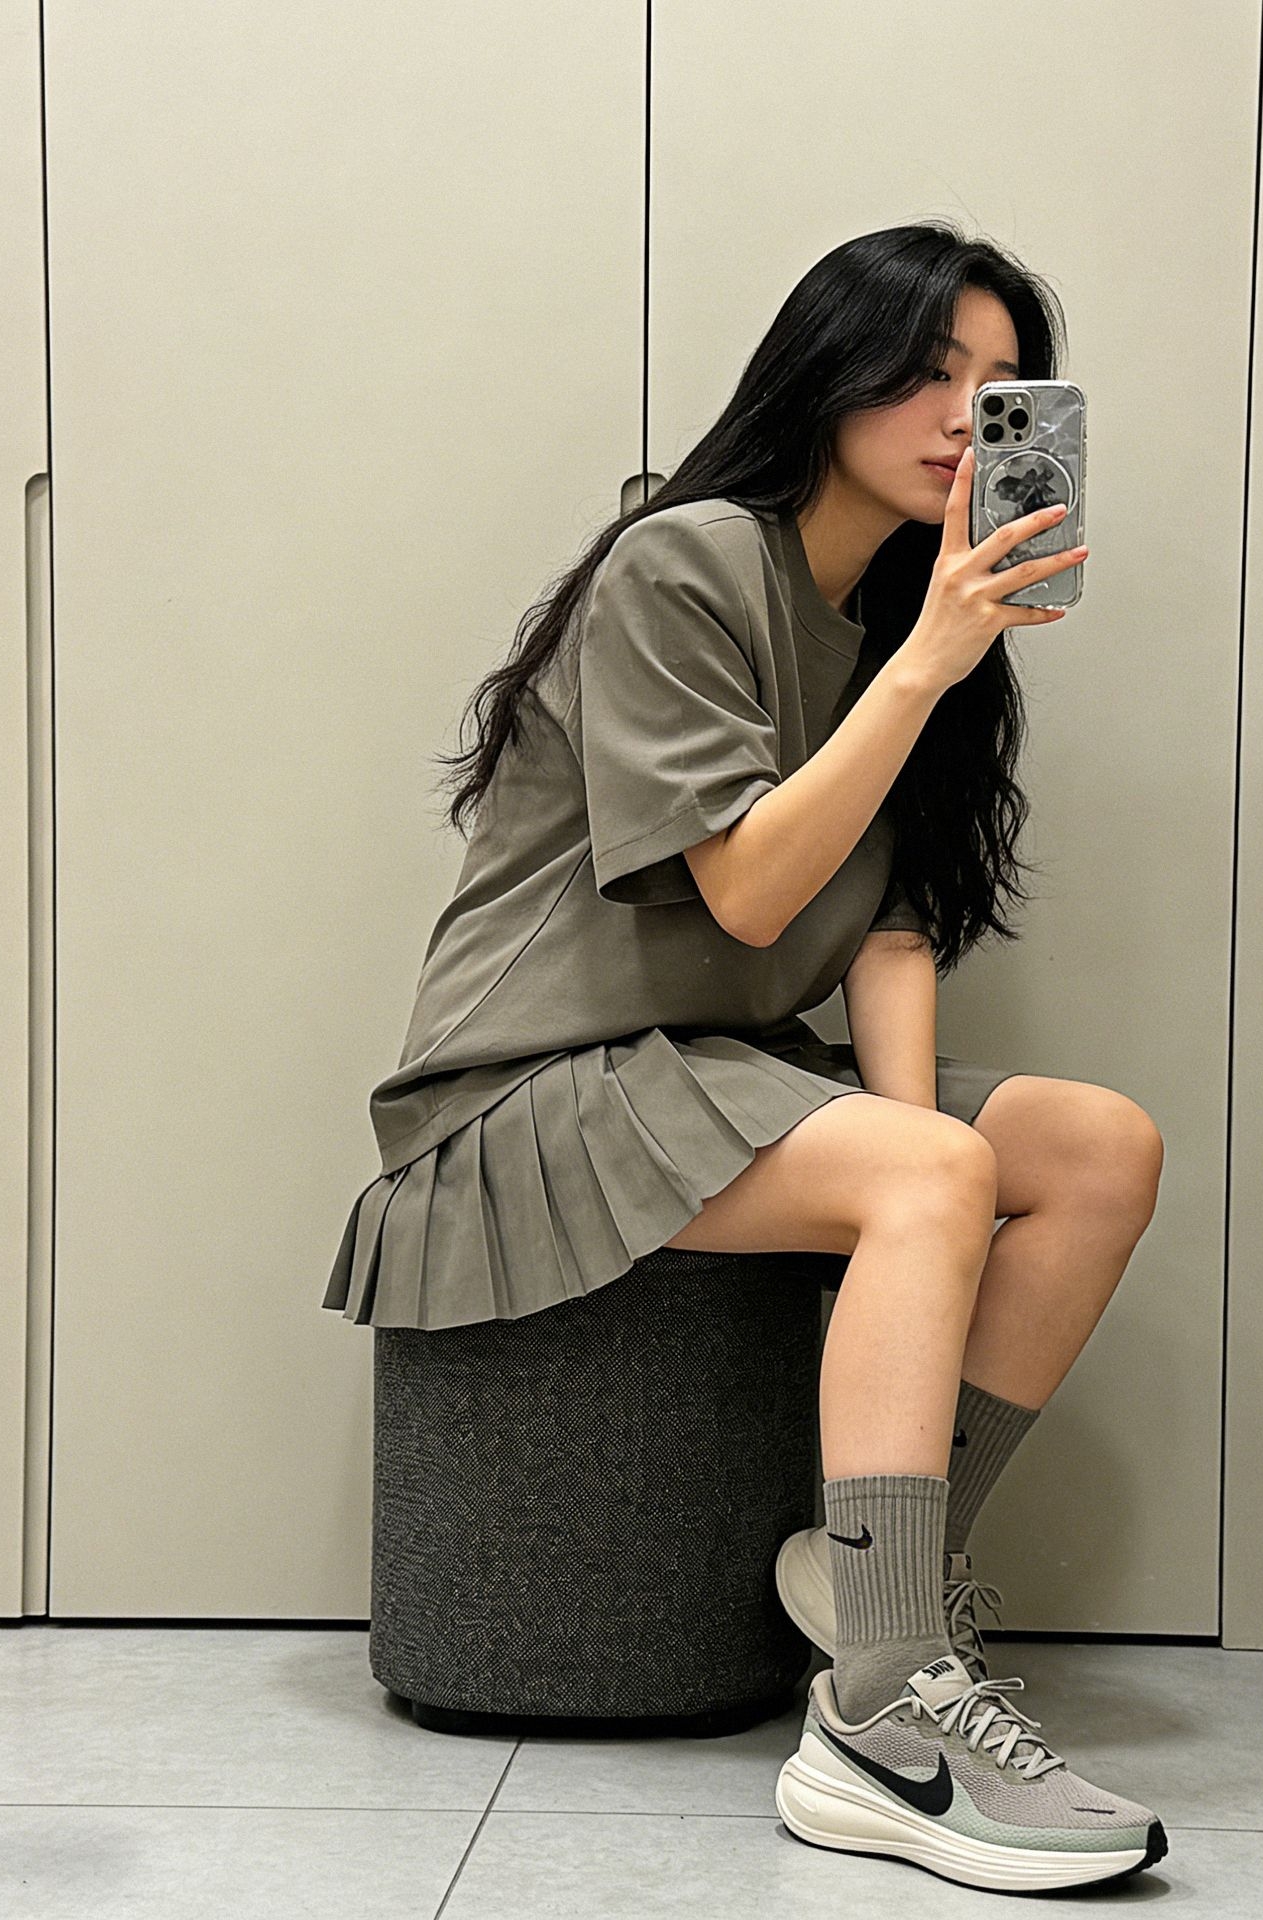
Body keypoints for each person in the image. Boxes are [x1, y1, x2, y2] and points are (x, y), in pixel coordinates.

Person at [323, 222, 1168, 1893]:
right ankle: (877, 1721)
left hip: (726, 1068)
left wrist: (928, 1178)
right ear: (826, 374)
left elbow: (891, 937)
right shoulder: (687, 562)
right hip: (537, 1086)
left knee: (1099, 1150)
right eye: (927, 370)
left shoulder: (909, 617)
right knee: (930, 1168)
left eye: (1003, 386)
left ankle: (871, 1588)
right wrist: (929, 663)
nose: (964, 416)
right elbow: (752, 887)